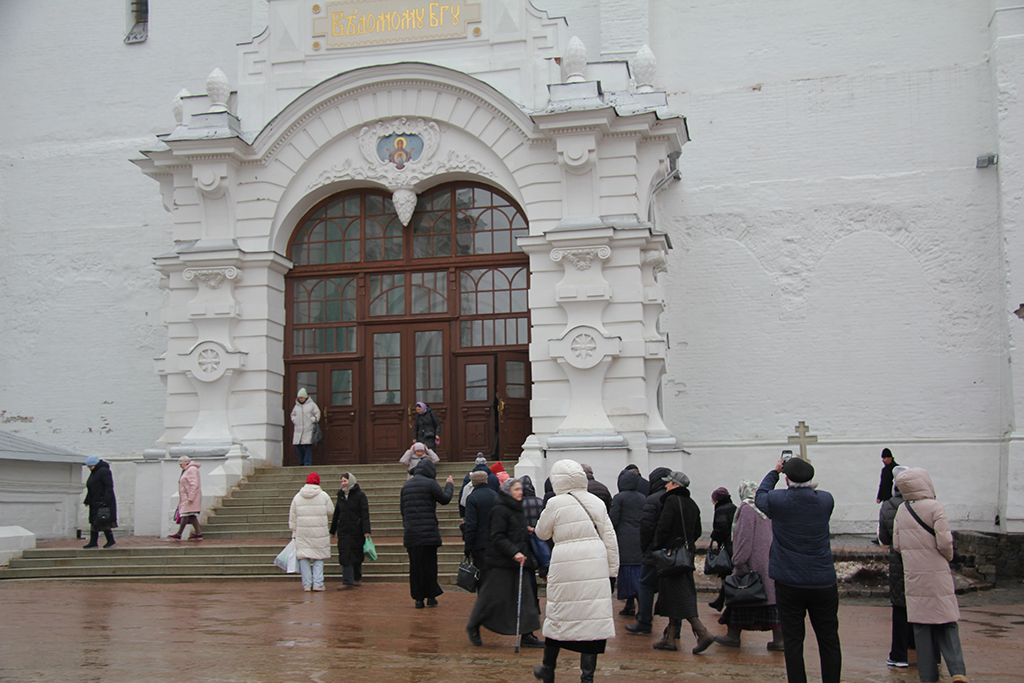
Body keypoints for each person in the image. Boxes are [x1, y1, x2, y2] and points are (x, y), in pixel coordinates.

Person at [756, 455, 841, 683]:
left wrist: (774, 471)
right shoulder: (826, 500)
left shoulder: (778, 500)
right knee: (829, 639)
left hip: (789, 581)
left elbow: (760, 495)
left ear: (787, 480)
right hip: (823, 581)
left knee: (793, 640)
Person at [532, 459, 619, 683]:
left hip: (565, 564)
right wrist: (612, 573)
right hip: (595, 564)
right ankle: (587, 678)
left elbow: (541, 533)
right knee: (592, 621)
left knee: (559, 616)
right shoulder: (596, 502)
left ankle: (548, 669)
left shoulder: (555, 503)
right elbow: (610, 540)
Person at [892, 467, 970, 683]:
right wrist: (948, 557)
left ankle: (927, 676)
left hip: (914, 576)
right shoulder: (935, 507)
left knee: (921, 626)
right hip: (937, 573)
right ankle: (957, 671)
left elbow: (897, 545)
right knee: (947, 622)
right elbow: (945, 542)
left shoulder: (902, 510)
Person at [466, 478, 544, 649]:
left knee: (526, 598)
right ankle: (474, 624)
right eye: (516, 489)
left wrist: (525, 530)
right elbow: (497, 536)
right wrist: (513, 552)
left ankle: (527, 634)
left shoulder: (516, 507)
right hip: (501, 562)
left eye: (520, 489)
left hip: (519, 561)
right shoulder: (500, 510)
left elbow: (511, 530)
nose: (520, 492)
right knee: (491, 598)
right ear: (508, 492)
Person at [650, 470, 715, 654]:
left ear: (676, 485)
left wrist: (657, 547)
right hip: (686, 555)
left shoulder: (671, 501)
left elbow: (663, 527)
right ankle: (669, 638)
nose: (665, 485)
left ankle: (702, 632)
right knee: (674, 595)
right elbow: (697, 531)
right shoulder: (692, 504)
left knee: (680, 595)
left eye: (669, 483)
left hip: (671, 557)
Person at [714, 480, 783, 651]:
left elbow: (744, 538)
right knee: (770, 601)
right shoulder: (766, 508)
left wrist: (738, 561)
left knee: (739, 598)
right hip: (768, 562)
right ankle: (780, 640)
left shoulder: (746, 509)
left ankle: (733, 636)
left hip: (751, 563)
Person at [400, 459, 454, 608]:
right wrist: (449, 485)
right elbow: (445, 499)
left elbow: (403, 511)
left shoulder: (406, 486)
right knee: (429, 565)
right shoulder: (430, 484)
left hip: (412, 533)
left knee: (415, 566)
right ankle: (431, 596)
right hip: (428, 533)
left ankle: (418, 599)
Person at [626, 466, 672, 636]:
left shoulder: (652, 500)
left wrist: (646, 547)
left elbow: (645, 527)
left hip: (653, 551)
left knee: (645, 585)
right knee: (672, 589)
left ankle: (644, 621)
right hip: (674, 552)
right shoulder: (680, 499)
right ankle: (675, 627)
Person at [878, 465, 912, 667]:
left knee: (900, 608)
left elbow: (884, 537)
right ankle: (927, 651)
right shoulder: (924, 505)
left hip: (898, 563)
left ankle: (899, 654)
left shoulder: (889, 506)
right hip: (921, 564)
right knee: (921, 605)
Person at [288, 472, 334, 592]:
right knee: (319, 558)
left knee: (304, 557)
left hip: (302, 533)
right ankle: (318, 583)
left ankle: (307, 585)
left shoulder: (298, 497)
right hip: (319, 533)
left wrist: (293, 531)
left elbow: (292, 516)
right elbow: (331, 511)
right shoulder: (324, 496)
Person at [610, 467, 646, 617]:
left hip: (624, 540)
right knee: (637, 574)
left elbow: (613, 519)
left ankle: (638, 608)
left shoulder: (619, 498)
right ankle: (632, 605)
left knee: (627, 575)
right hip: (639, 539)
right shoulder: (642, 497)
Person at [330, 472, 370, 590]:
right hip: (344, 530)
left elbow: (364, 513)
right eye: (342, 481)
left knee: (356, 554)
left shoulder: (360, 496)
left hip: (356, 530)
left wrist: (366, 530)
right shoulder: (341, 496)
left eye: (345, 481)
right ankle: (347, 581)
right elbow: (337, 513)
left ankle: (357, 578)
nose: (343, 484)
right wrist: (333, 529)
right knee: (345, 555)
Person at [463, 470, 498, 582]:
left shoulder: (472, 498)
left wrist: (468, 545)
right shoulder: (495, 495)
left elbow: (471, 524)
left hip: (480, 542)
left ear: (473, 483)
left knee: (482, 575)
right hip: (495, 541)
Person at [707, 486, 737, 611]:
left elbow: (721, 528)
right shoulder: (734, 507)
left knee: (726, 574)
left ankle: (726, 603)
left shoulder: (721, 510)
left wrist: (714, 536)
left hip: (726, 546)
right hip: (734, 545)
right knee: (729, 574)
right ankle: (720, 601)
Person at [83, 455, 117, 549]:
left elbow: (108, 486)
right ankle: (93, 542)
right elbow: (91, 488)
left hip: (102, 501)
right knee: (94, 522)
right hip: (94, 501)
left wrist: (106, 500)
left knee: (103, 521)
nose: (90, 468)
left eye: (91, 466)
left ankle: (110, 540)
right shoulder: (94, 473)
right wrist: (87, 500)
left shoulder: (104, 471)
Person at [169, 456, 202, 541]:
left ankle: (179, 534)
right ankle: (198, 533)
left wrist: (190, 497)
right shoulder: (188, 470)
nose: (180, 466)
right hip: (186, 497)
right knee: (191, 514)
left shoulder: (191, 470)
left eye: (181, 464)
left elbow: (194, 484)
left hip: (189, 497)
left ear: (185, 463)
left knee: (184, 514)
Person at [290, 388, 320, 467]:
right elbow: (293, 414)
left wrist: (312, 420)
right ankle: (302, 461)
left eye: (302, 397)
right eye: (299, 398)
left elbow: (317, 414)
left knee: (308, 446)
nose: (300, 399)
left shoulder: (312, 405)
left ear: (305, 397)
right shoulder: (296, 406)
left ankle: (307, 463)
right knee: (298, 445)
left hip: (308, 428)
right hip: (298, 429)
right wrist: (295, 420)